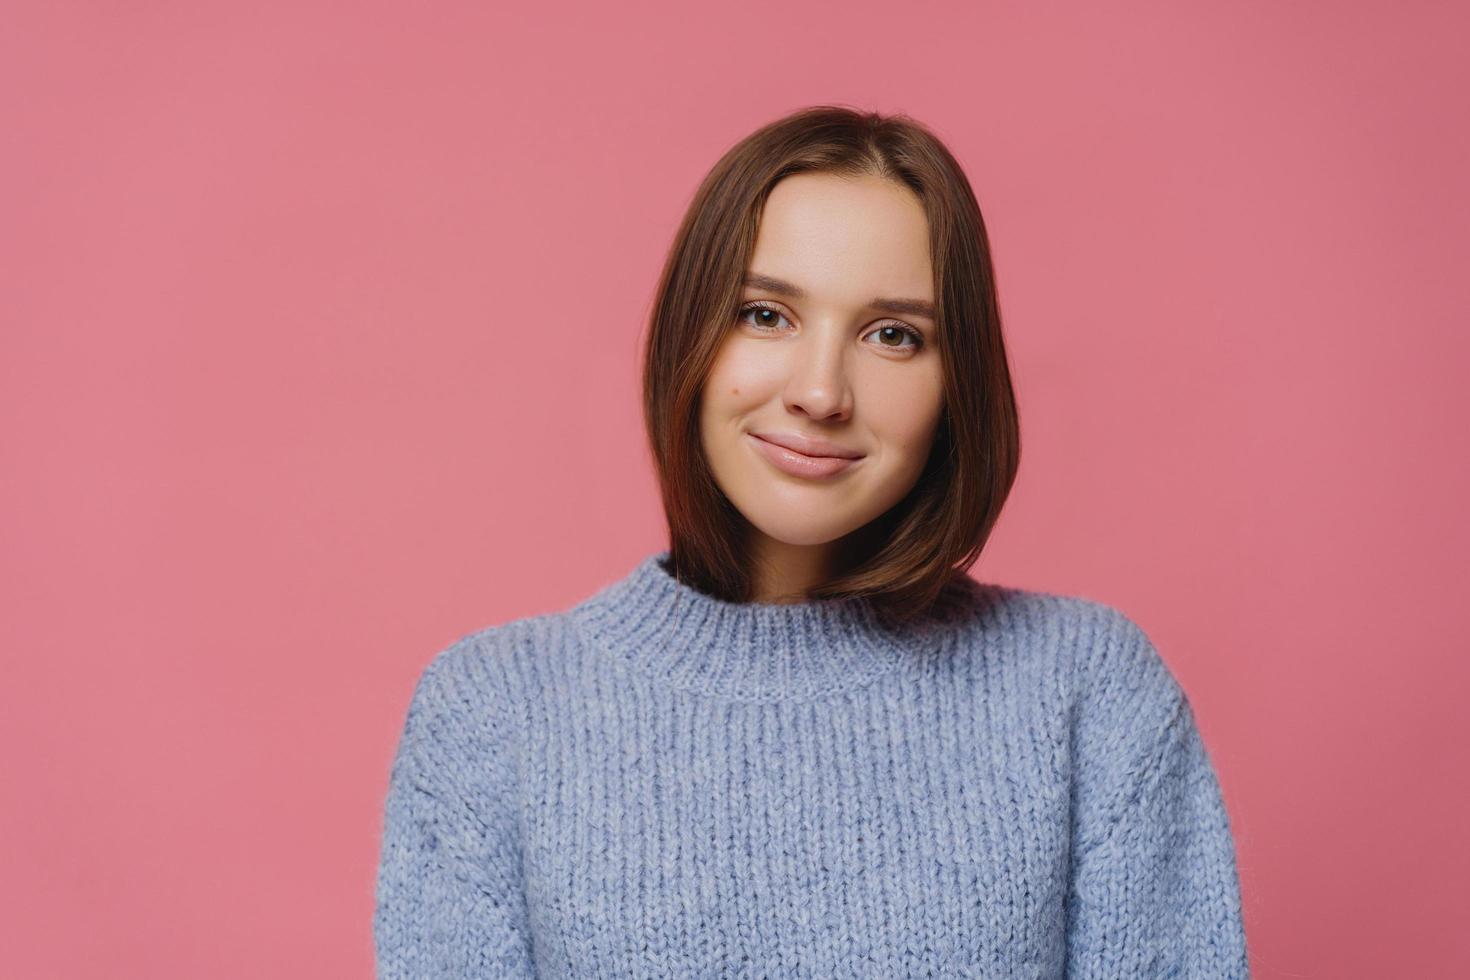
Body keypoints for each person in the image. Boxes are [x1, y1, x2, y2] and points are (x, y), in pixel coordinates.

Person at [373, 105, 1250, 978]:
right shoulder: (494, 713)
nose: (822, 391)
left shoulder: (1086, 693)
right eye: (766, 315)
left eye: (893, 336)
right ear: (691, 336)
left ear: (959, 387)